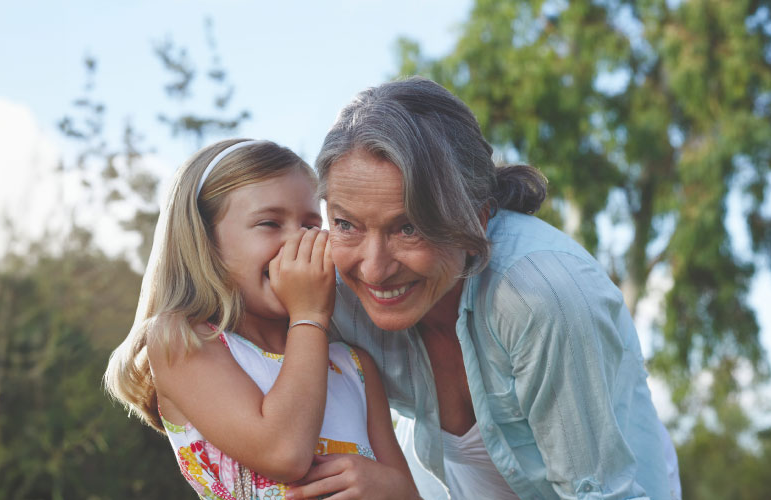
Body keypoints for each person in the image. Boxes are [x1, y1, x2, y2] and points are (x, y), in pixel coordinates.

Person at [285, 78, 682, 500]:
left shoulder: (542, 298)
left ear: (478, 217)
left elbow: (601, 494)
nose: (374, 268)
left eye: (410, 227)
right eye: (346, 224)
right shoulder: (327, 288)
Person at [103, 139, 418, 499]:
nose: (297, 241)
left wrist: (392, 488)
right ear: (206, 243)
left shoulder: (355, 367)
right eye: (270, 223)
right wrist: (310, 315)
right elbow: (284, 453)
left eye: (311, 224)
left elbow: (408, 492)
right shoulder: (182, 340)